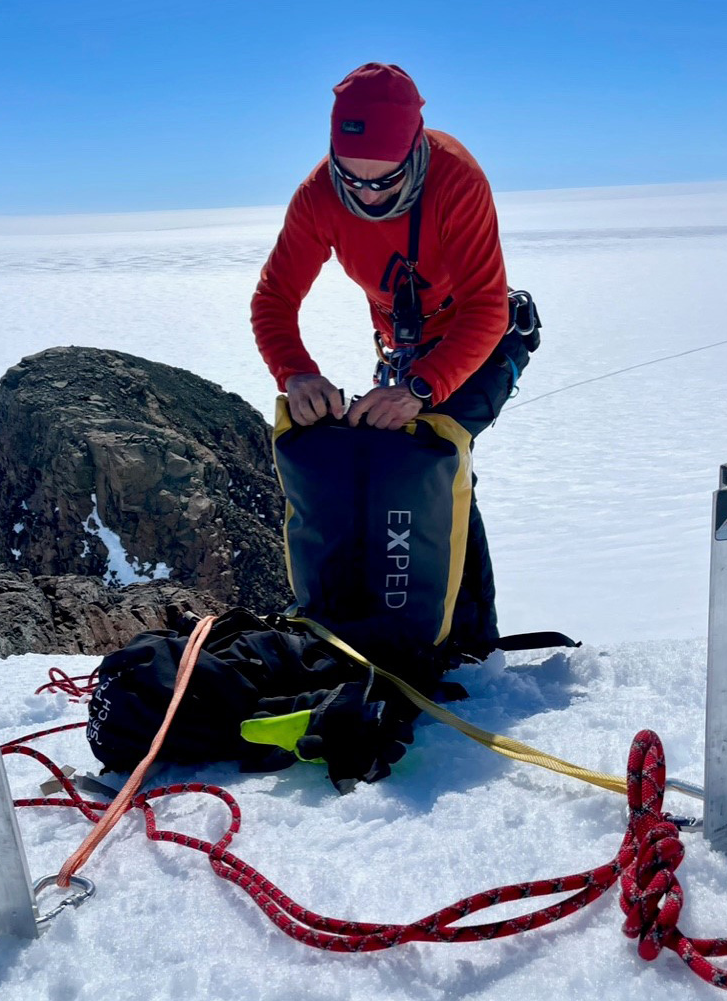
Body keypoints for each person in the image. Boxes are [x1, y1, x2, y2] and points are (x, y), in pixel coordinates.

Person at [251, 62, 534, 659]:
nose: (367, 194)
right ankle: (394, 624)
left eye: (385, 181)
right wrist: (296, 372)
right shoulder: (318, 196)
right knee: (404, 464)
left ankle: (471, 647)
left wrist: (422, 389)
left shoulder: (456, 179)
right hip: (406, 352)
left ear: (414, 150)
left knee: (433, 459)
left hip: (477, 340)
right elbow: (274, 299)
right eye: (352, 179)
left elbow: (485, 307)